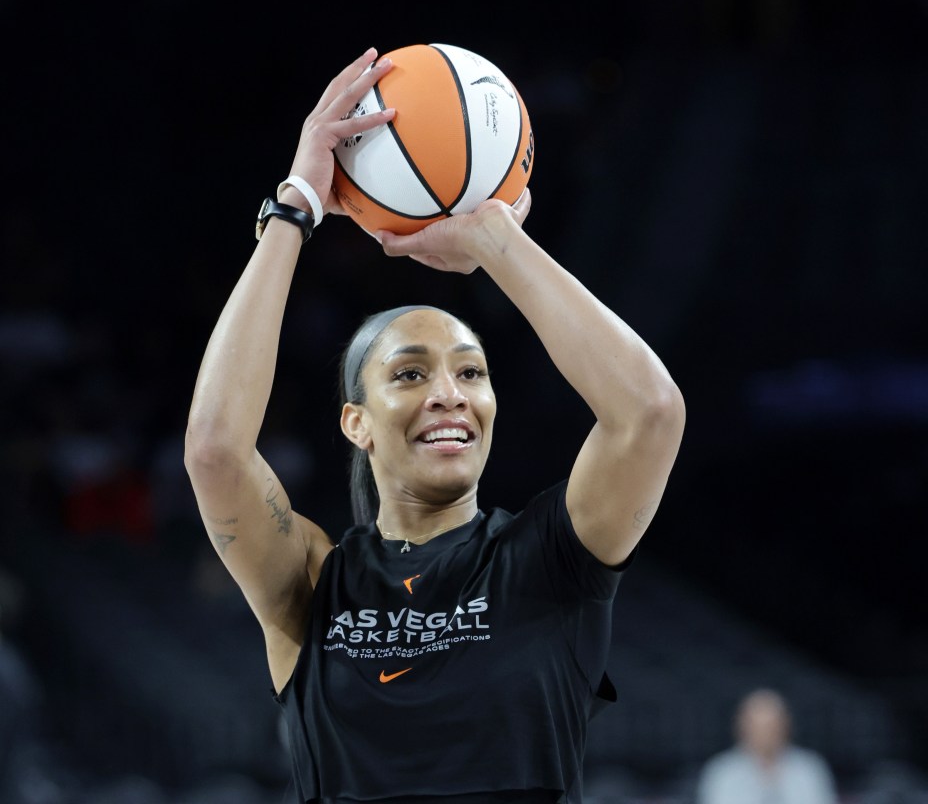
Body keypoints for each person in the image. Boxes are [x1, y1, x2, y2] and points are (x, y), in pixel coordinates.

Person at [184, 47, 685, 803]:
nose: (450, 393)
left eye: (471, 372)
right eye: (411, 373)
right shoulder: (316, 584)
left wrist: (497, 242)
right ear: (356, 422)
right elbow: (217, 451)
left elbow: (649, 412)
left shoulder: (550, 563)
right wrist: (295, 208)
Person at [695, 688, 839, 804]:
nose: (765, 735)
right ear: (742, 728)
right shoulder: (722, 772)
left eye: (772, 726)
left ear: (786, 726)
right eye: (758, 727)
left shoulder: (809, 768)